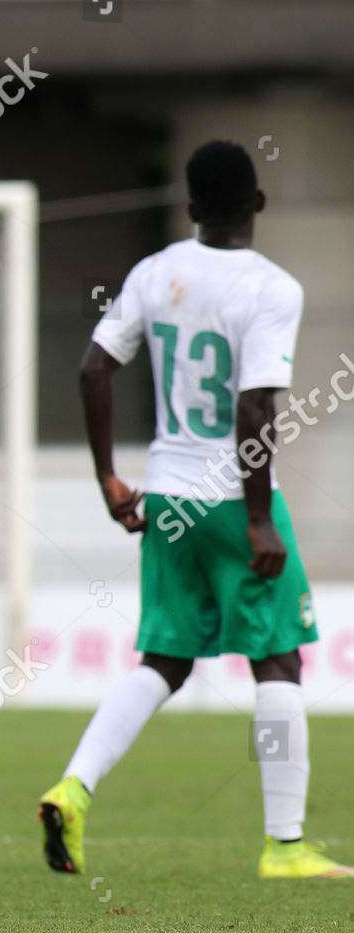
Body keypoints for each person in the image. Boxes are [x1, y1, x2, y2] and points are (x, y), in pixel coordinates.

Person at [38, 140, 351, 878]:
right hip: (233, 499)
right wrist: (258, 518)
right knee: (277, 659)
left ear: (190, 209)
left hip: (168, 494)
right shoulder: (273, 288)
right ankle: (285, 846)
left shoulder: (155, 272)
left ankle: (73, 787)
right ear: (260, 204)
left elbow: (93, 370)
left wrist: (109, 478)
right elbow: (252, 405)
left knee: (165, 660)